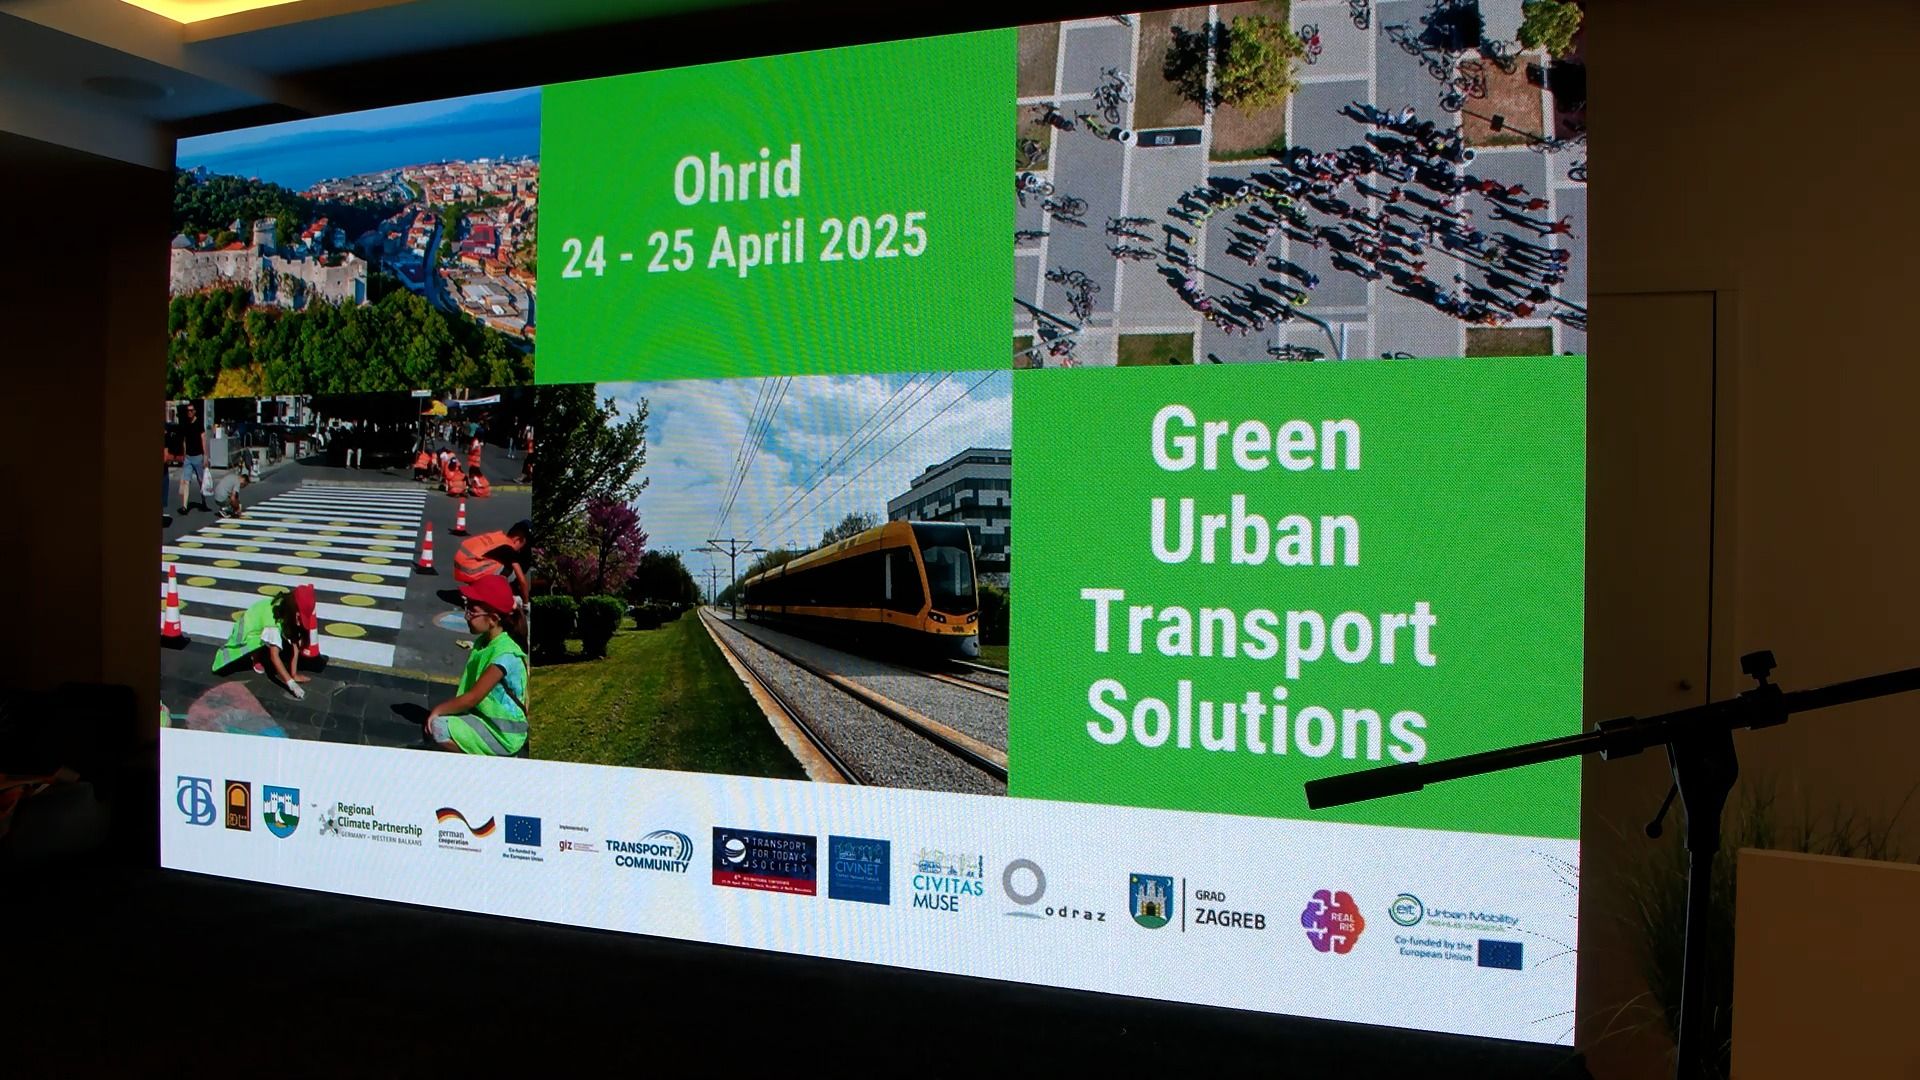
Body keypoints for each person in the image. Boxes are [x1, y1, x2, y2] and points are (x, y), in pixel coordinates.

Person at [423, 575, 528, 756]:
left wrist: (437, 711)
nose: (466, 615)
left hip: (504, 735)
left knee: (438, 727)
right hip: (487, 720)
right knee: (443, 720)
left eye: (472, 611)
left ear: (493, 618)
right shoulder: (486, 641)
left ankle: (489, 760)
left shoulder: (504, 656)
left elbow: (472, 698)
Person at [211, 584, 317, 700]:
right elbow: (274, 657)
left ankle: (260, 654)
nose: (299, 622)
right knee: (260, 643)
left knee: (277, 640)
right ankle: (256, 657)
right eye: (298, 618)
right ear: (293, 611)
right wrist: (292, 684)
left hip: (259, 620)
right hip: (248, 629)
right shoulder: (272, 625)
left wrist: (294, 674)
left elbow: (294, 644)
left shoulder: (285, 604)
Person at [453, 518, 531, 604]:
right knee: (509, 571)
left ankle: (474, 589)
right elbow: (522, 580)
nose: (520, 550)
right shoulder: (508, 547)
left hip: (461, 566)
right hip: (469, 570)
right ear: (518, 540)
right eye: (522, 546)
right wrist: (526, 603)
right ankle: (488, 595)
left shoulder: (498, 536)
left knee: (495, 564)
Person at [177, 401, 208, 515]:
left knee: (201, 481)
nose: (189, 412)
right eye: (188, 411)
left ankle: (203, 501)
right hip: (188, 458)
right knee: (186, 481)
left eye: (191, 410)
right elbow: (184, 440)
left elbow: (203, 439)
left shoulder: (199, 423)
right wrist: (184, 454)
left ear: (194, 412)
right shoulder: (185, 424)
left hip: (198, 457)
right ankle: (184, 507)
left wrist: (205, 456)